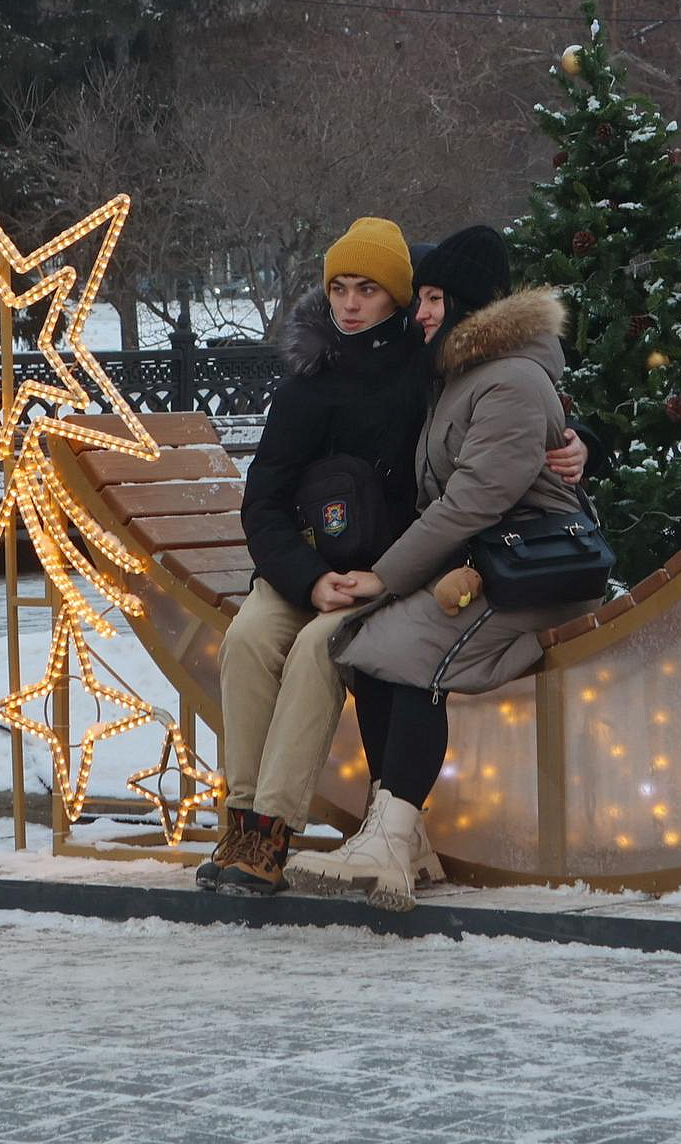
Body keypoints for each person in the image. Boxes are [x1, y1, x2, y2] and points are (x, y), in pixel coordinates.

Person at [205, 218, 585, 897]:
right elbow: (261, 502)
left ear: (400, 300)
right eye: (340, 289)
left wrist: (585, 442)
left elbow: (521, 415)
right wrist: (305, 577)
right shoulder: (306, 386)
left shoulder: (432, 365)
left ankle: (271, 829)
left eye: (370, 290)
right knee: (247, 640)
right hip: (305, 562)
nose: (350, 304)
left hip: (390, 570)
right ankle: (239, 820)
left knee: (325, 648)